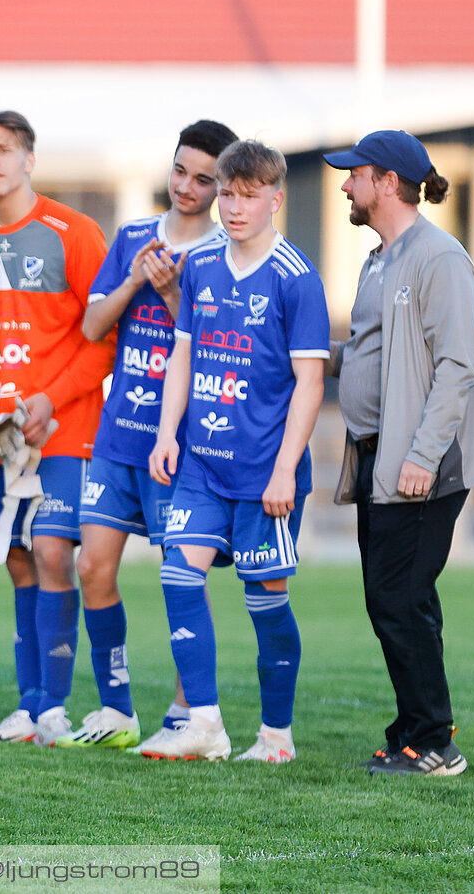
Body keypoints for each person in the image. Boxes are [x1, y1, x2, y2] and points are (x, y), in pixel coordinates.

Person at [146, 139, 327, 764]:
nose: (234, 206)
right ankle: (204, 724)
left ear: (276, 198)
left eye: (249, 195)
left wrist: (284, 471)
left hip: (264, 474)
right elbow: (184, 353)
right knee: (176, 574)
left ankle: (276, 736)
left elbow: (310, 382)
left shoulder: (296, 278)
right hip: (202, 463)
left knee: (264, 599)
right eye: (227, 193)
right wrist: (168, 433)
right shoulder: (198, 265)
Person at [0, 110, 111, 748]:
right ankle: (29, 706)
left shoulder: (76, 232)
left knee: (53, 553)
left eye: (4, 150)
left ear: (29, 159)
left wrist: (51, 397)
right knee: (16, 559)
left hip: (62, 426)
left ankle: (54, 710)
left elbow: (105, 338)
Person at [324, 130, 474, 776]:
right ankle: (417, 730)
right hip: (376, 459)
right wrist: (310, 362)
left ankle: (433, 745)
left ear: (387, 183)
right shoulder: (379, 260)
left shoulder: (437, 258)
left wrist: (420, 455)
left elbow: (457, 367)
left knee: (399, 597)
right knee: (394, 598)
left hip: (420, 466)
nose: (344, 185)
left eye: (355, 175)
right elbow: (369, 355)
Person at [67, 119, 236, 751]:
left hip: (181, 443)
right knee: (93, 567)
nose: (187, 186)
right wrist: (139, 278)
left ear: (223, 186)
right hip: (119, 437)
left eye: (203, 178)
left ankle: (189, 712)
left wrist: (171, 295)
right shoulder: (134, 237)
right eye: (180, 170)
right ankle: (116, 709)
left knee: (181, 575)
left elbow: (212, 347)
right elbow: (91, 326)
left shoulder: (223, 253)